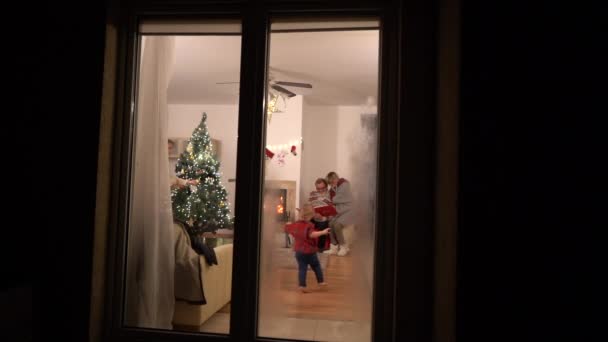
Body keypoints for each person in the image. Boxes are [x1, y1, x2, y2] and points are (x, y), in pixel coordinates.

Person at [284, 204, 331, 293]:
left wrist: (288, 224)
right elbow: (312, 235)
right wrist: (323, 232)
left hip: (299, 252)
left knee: (302, 268)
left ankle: (302, 285)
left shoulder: (295, 225)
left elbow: (287, 228)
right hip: (309, 251)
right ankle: (321, 282)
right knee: (316, 266)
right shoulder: (309, 225)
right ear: (310, 216)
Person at [325, 171, 354, 256]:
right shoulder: (332, 189)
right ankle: (333, 247)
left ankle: (344, 247)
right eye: (330, 183)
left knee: (337, 224)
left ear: (336, 178)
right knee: (330, 223)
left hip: (349, 210)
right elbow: (333, 202)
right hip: (340, 211)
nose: (331, 184)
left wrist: (330, 201)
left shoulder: (344, 184)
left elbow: (337, 199)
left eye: (332, 182)